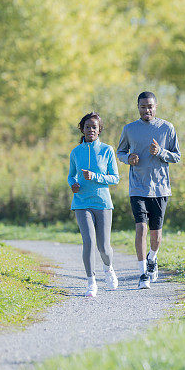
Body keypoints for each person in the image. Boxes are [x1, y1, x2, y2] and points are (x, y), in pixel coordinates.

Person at [116, 91, 181, 289]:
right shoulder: (129, 129)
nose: (147, 110)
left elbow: (177, 156)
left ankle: (152, 257)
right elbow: (120, 151)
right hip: (137, 187)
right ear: (138, 107)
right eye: (143, 107)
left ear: (156, 107)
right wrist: (128, 159)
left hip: (160, 188)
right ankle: (143, 273)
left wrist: (160, 152)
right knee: (141, 228)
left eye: (150, 106)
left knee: (156, 235)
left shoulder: (167, 128)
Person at [68, 112, 120, 297]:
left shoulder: (107, 150)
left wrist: (96, 177)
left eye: (94, 127)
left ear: (99, 131)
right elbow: (71, 175)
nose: (91, 130)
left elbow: (115, 178)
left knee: (104, 247)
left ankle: (109, 269)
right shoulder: (75, 152)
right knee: (88, 242)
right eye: (87, 126)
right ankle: (91, 283)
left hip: (103, 203)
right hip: (81, 202)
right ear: (82, 129)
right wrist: (73, 185)